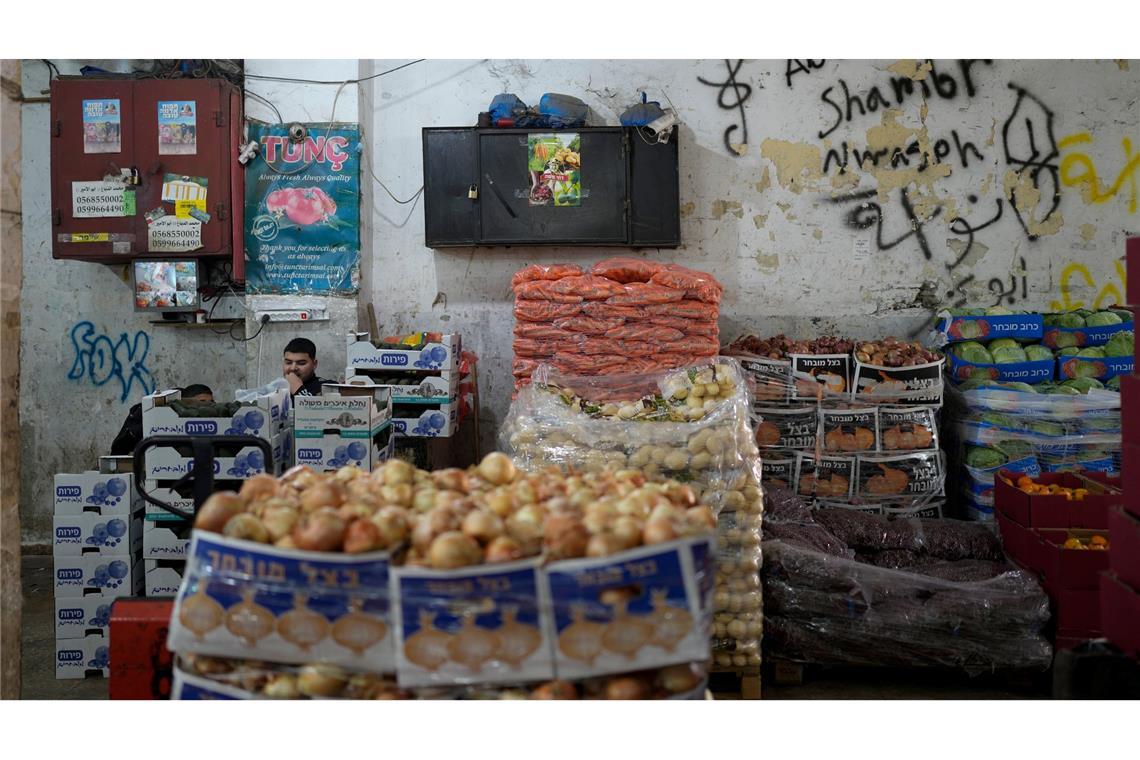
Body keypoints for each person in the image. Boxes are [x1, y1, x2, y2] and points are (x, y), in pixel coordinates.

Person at [111, 384, 213, 455]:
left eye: (211, 402)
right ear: (186, 402)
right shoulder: (162, 414)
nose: (207, 405)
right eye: (202, 401)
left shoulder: (211, 417)